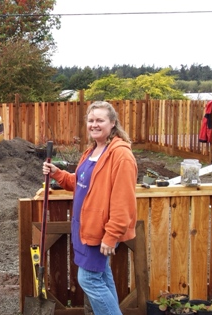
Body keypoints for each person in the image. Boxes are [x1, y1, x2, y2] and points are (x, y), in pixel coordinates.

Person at [42, 101, 137, 315]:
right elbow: (81, 183)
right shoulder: (92, 151)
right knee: (101, 275)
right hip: (83, 229)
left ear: (112, 123)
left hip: (99, 230)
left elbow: (124, 201)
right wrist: (58, 173)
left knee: (89, 279)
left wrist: (112, 234)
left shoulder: (121, 155)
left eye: (100, 120)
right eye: (91, 120)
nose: (94, 124)